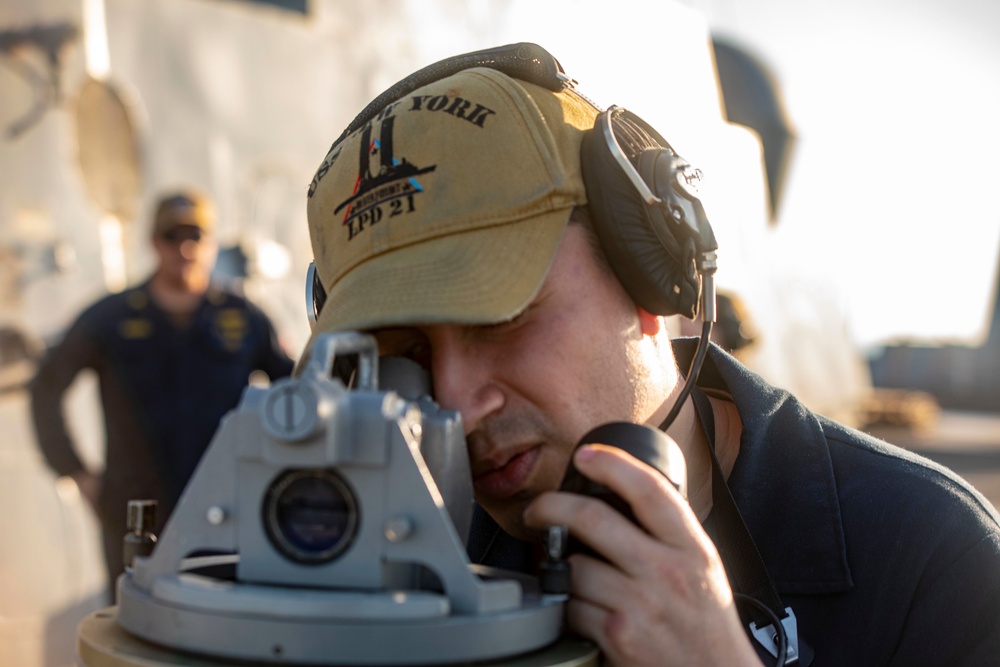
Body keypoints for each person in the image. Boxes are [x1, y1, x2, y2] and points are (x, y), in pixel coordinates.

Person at [301, 44, 1000, 666]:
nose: (457, 403)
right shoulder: (375, 554)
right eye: (410, 355)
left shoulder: (930, 561)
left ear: (649, 270)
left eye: (500, 319)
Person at [30, 189, 294, 595]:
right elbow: (47, 387)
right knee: (134, 616)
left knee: (218, 616)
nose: (184, 248)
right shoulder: (111, 318)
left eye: (195, 235)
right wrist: (76, 472)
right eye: (172, 236)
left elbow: (294, 392)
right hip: (134, 511)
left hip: (223, 507)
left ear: (211, 242)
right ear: (154, 242)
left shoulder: (244, 318)